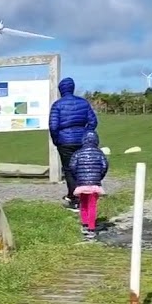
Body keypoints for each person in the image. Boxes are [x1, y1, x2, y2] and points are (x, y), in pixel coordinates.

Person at [48, 76, 98, 211]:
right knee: (82, 168)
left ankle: (75, 200)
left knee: (69, 170)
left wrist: (56, 139)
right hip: (82, 140)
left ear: (61, 90)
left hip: (65, 141)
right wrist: (86, 133)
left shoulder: (57, 105)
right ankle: (83, 196)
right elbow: (93, 121)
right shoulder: (84, 103)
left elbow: (53, 126)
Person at [69, 130, 107, 241]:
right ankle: (91, 228)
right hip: (94, 184)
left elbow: (72, 166)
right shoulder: (99, 153)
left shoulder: (77, 153)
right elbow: (104, 166)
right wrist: (99, 177)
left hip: (81, 184)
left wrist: (78, 177)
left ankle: (85, 224)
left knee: (83, 204)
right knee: (92, 206)